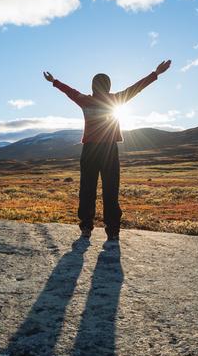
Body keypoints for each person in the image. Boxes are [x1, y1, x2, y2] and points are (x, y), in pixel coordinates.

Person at [43, 60, 172, 241]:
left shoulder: (85, 100)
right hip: (109, 150)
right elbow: (137, 88)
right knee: (111, 189)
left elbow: (69, 92)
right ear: (108, 86)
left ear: (93, 86)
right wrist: (156, 73)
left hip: (90, 150)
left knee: (87, 188)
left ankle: (86, 227)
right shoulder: (115, 99)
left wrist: (54, 81)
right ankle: (112, 230)